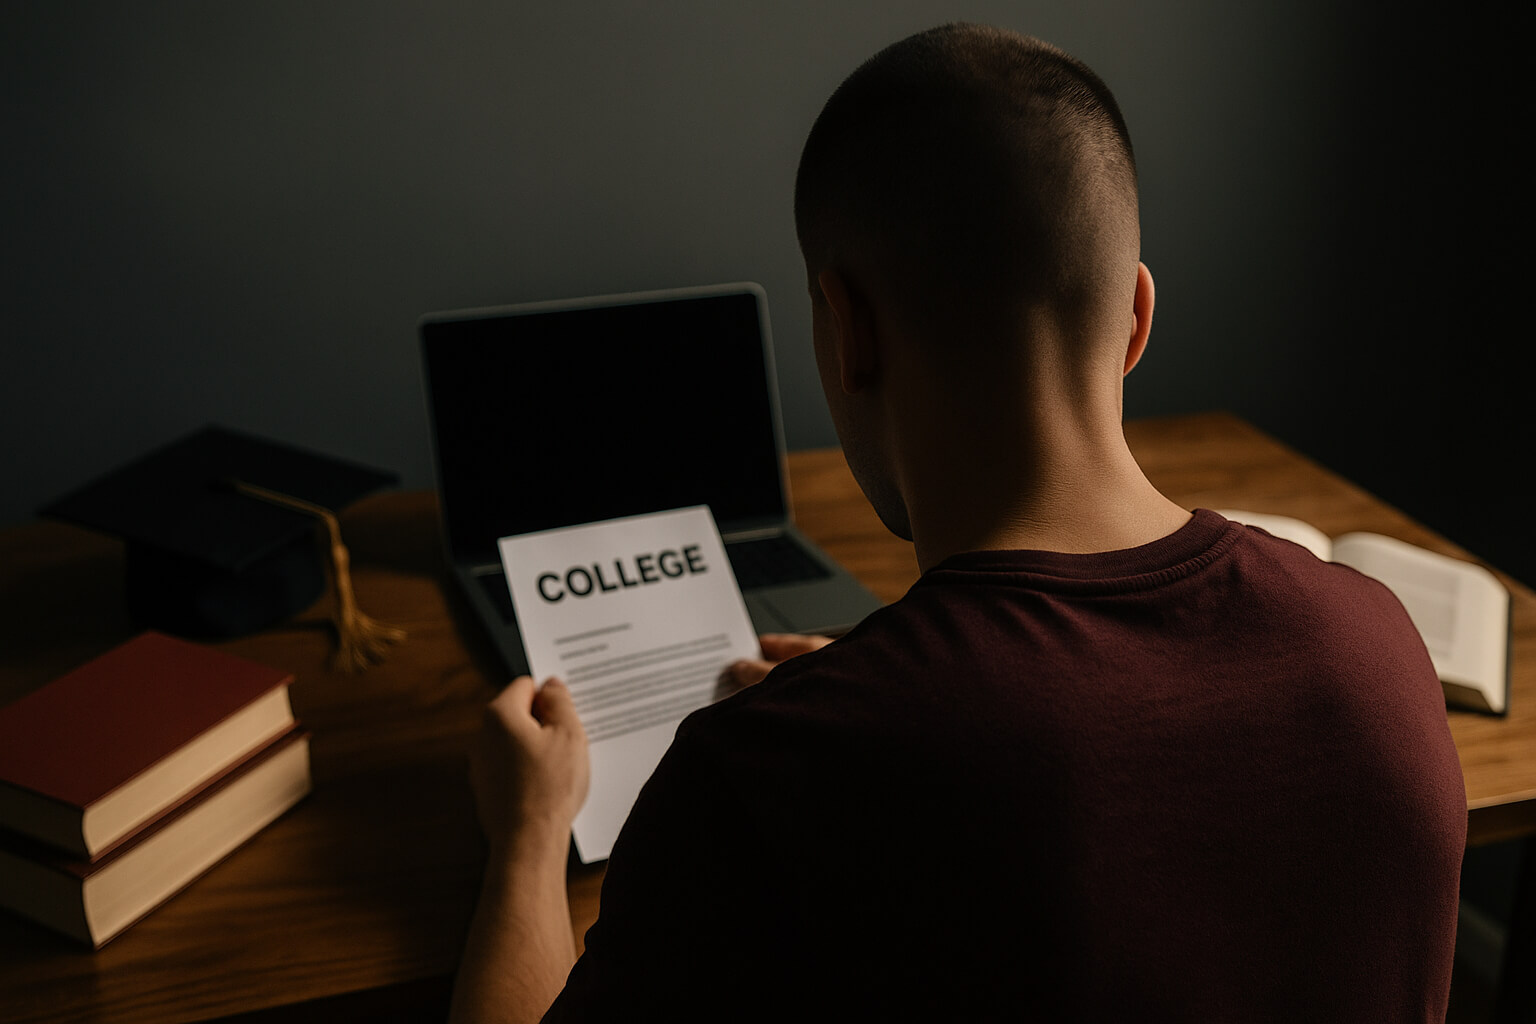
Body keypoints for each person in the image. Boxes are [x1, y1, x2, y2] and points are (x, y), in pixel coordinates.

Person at [448, 24, 1466, 1022]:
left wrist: (531, 834)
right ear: (1137, 319)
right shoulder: (1377, 652)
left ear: (848, 332)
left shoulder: (764, 777)